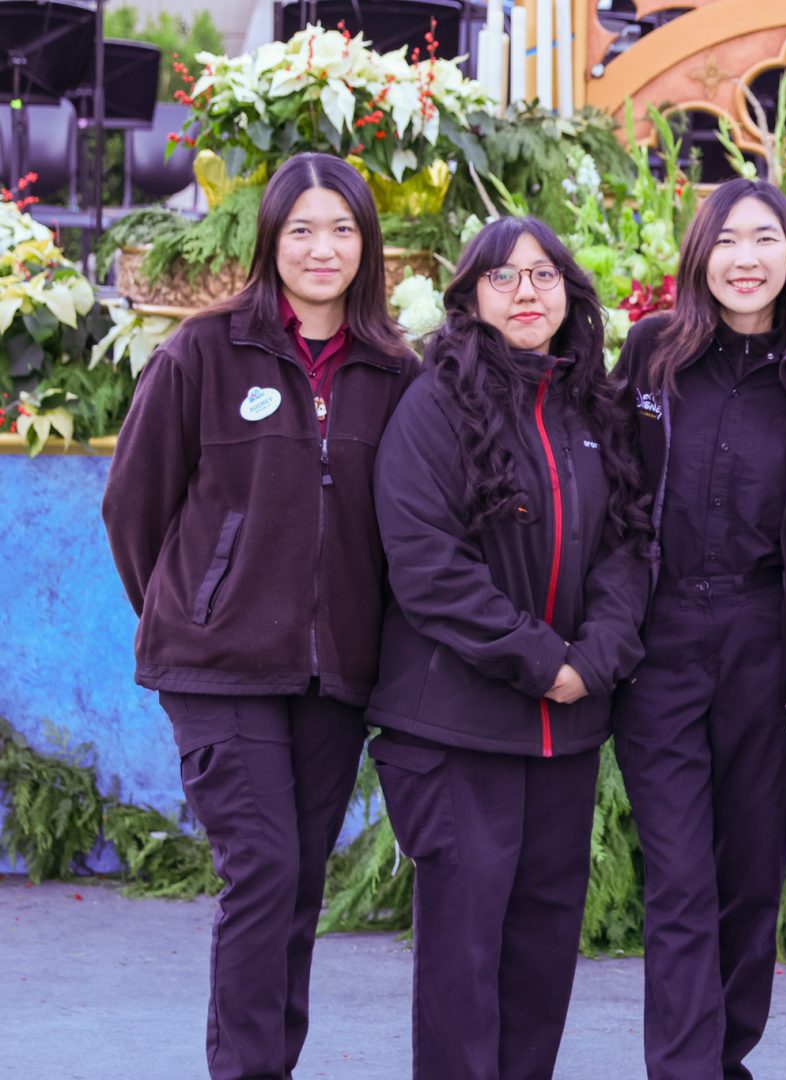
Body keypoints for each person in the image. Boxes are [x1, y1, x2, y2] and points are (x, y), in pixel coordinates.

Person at [101, 153, 418, 1079]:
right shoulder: (204, 351)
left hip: (335, 676)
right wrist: (193, 609)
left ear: (368, 243)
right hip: (219, 669)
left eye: (343, 229)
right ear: (270, 241)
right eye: (302, 230)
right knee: (265, 868)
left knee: (297, 883)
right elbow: (134, 506)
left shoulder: (395, 372)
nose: (323, 249)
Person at [364, 215, 649, 1078]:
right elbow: (428, 567)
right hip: (458, 731)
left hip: (561, 735)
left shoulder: (587, 405)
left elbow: (627, 545)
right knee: (464, 962)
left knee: (541, 954)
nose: (527, 292)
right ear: (470, 298)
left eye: (544, 276)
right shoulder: (436, 404)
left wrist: (594, 658)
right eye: (504, 277)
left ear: (570, 293)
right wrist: (546, 661)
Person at [610, 177, 786, 1080]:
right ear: (702, 254)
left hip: (763, 638)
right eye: (729, 240)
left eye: (765, 240)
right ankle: (684, 1066)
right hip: (662, 642)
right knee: (680, 878)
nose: (747, 259)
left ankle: (726, 1053)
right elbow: (616, 492)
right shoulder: (654, 353)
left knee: (748, 876)